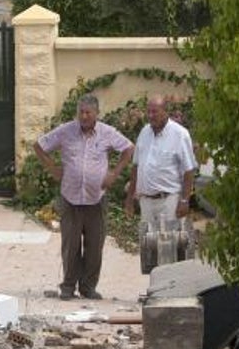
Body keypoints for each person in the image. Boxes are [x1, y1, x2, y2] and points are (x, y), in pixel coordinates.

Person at [34, 94, 134, 300]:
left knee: (94, 246)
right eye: (81, 112)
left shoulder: (107, 133)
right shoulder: (65, 131)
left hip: (96, 199)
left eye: (88, 112)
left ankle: (88, 287)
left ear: (97, 113)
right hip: (70, 197)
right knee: (70, 245)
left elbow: (128, 148)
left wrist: (114, 174)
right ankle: (68, 286)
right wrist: (52, 168)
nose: (84, 116)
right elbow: (39, 146)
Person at [125, 95, 198, 232]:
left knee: (167, 249)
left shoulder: (180, 134)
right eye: (149, 112)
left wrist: (184, 201)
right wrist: (129, 197)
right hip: (146, 202)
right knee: (147, 249)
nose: (151, 116)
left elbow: (188, 170)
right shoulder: (144, 132)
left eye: (155, 111)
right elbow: (136, 166)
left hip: (169, 202)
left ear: (165, 112)